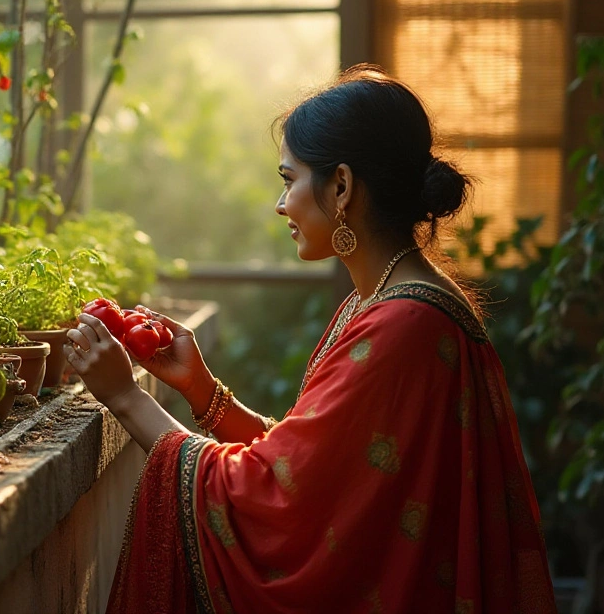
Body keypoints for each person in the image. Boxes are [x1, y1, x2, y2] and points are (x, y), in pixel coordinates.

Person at [64, 66, 557, 613]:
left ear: (341, 187)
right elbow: (310, 473)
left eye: (288, 180)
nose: (281, 206)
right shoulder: (379, 300)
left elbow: (270, 498)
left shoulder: (404, 324)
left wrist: (126, 397)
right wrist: (203, 391)